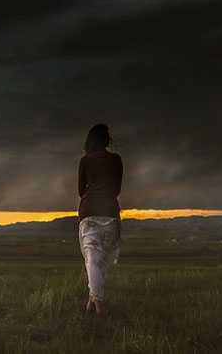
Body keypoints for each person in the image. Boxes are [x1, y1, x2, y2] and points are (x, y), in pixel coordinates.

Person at [77, 122, 123, 315]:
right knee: (100, 262)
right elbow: (117, 189)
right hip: (110, 213)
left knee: (92, 261)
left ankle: (99, 307)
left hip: (89, 213)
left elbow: (81, 191)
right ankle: (92, 303)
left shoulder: (85, 161)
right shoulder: (116, 160)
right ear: (106, 140)